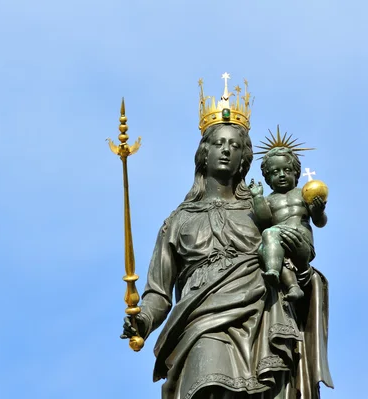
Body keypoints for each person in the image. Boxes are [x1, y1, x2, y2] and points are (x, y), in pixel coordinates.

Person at [121, 123, 333, 398]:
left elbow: (295, 266)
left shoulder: (261, 210)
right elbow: (159, 293)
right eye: (219, 143)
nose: (226, 151)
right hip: (201, 318)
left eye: (234, 146)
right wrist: (144, 319)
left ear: (244, 159)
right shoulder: (178, 221)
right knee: (209, 379)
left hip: (263, 313)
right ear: (204, 153)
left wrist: (303, 264)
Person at [248, 147, 327, 302]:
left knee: (270, 236)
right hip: (279, 241)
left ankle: (273, 271)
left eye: (287, 170)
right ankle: (293, 287)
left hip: (301, 240)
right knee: (265, 250)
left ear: (296, 172)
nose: (282, 175)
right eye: (275, 172)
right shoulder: (269, 199)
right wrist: (257, 197)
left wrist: (318, 210)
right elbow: (264, 220)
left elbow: (320, 222)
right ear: (268, 178)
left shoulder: (303, 194)